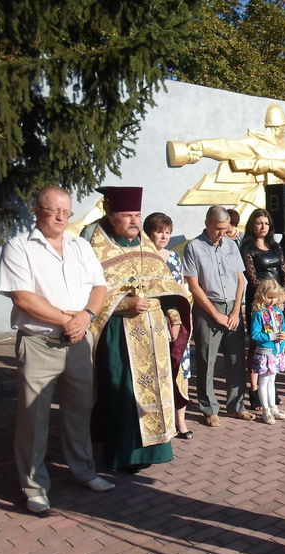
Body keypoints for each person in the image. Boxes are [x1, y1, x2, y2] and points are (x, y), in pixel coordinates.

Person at [0, 185, 115, 514]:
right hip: (39, 343)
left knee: (79, 411)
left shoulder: (79, 246)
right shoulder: (19, 247)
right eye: (54, 211)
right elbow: (22, 297)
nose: (62, 217)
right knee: (33, 419)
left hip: (79, 342)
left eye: (66, 211)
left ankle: (83, 471)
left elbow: (99, 286)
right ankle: (34, 486)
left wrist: (87, 316)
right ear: (37, 211)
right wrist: (69, 319)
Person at [86, 187, 192, 472]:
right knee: (124, 393)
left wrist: (174, 316)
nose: (134, 221)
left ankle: (155, 451)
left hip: (155, 333)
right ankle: (124, 455)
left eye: (137, 214)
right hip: (119, 334)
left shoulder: (146, 245)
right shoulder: (96, 246)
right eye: (127, 215)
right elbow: (88, 291)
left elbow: (166, 286)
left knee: (157, 389)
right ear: (111, 215)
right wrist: (123, 303)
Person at [183, 206, 254, 426]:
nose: (222, 233)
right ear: (207, 223)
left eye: (225, 228)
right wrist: (215, 314)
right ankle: (209, 408)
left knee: (235, 359)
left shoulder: (231, 245)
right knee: (206, 359)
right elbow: (194, 286)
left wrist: (235, 311)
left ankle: (235, 406)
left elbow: (240, 279)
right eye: (217, 229)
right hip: (207, 308)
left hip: (232, 307)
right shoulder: (194, 247)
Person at [143, 212, 193, 440]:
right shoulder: (142, 257)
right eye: (159, 231)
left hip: (177, 322)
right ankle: (161, 422)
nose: (163, 236)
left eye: (167, 232)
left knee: (181, 370)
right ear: (148, 232)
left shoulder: (173, 257)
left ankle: (181, 422)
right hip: (152, 320)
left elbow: (180, 289)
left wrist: (179, 319)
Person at [239, 208, 285, 409]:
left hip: (276, 299)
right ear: (252, 224)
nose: (263, 226)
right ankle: (254, 390)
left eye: (266, 223)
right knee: (256, 342)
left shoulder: (275, 246)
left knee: (275, 339)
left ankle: (271, 386)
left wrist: (284, 291)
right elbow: (252, 278)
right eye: (259, 223)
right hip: (258, 298)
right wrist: (267, 293)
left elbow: (284, 271)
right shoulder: (247, 248)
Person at [249, 279, 285, 425]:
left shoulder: (279, 311)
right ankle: (265, 409)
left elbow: (284, 327)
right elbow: (254, 334)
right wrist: (271, 336)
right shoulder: (258, 313)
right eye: (269, 297)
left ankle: (273, 407)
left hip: (277, 351)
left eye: (274, 297)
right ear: (262, 295)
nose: (272, 300)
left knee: (272, 380)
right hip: (265, 352)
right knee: (264, 380)